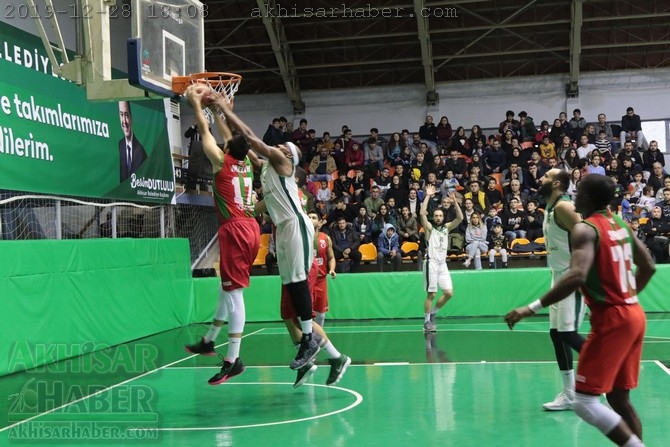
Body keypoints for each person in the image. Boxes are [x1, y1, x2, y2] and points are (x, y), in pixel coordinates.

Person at [506, 174, 656, 447]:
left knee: (584, 402)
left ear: (586, 198)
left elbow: (576, 275)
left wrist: (530, 308)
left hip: (612, 318)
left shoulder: (586, 229)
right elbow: (649, 266)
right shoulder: (621, 224)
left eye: (579, 193)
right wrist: (628, 295)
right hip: (634, 313)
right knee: (619, 400)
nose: (574, 196)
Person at [215, 94, 321, 370]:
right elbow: (240, 144)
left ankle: (309, 338)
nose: (280, 143)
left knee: (297, 281)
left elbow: (252, 137)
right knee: (289, 283)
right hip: (282, 230)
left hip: (297, 225)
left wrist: (225, 108)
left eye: (285, 144)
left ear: (289, 155)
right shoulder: (265, 168)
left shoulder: (283, 162)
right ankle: (308, 340)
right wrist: (222, 117)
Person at [182, 87, 260, 385]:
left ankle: (234, 359)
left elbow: (205, 132)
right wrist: (219, 109)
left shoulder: (222, 163)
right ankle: (209, 339)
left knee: (235, 294)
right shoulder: (246, 164)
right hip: (250, 227)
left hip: (236, 229)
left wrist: (196, 104)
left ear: (228, 148)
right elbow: (229, 139)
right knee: (225, 290)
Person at [531, 168, 586, 409]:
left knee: (567, 334)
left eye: (544, 176)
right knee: (557, 334)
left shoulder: (564, 207)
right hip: (558, 276)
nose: (540, 178)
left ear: (555, 184)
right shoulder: (550, 208)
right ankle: (570, 393)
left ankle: (604, 375)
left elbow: (588, 234)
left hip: (572, 278)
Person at [420, 185, 463, 332]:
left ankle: (433, 314)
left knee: (449, 293)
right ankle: (426, 322)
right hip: (431, 262)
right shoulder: (429, 228)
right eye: (436, 216)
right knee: (431, 294)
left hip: (442, 264)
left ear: (443, 217)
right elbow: (421, 213)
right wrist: (427, 196)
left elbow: (460, 218)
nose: (438, 217)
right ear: (434, 217)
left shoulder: (446, 228)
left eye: (440, 216)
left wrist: (454, 202)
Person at [118, 101, 147, 182]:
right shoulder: (120, 145)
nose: (124, 121)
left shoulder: (141, 152)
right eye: (121, 115)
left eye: (126, 115)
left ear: (131, 117)